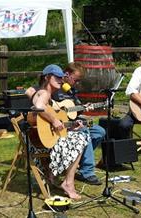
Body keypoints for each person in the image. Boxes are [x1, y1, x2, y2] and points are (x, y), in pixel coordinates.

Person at [26, 64, 89, 200]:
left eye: (62, 77)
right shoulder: (43, 93)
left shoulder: (49, 96)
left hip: (45, 138)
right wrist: (54, 121)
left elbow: (56, 125)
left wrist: (71, 126)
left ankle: (63, 179)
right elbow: (38, 107)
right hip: (37, 142)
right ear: (47, 77)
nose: (61, 80)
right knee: (81, 139)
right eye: (58, 77)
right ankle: (68, 183)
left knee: (79, 135)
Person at [53, 62, 105, 185]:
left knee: (99, 131)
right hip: (63, 125)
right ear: (67, 74)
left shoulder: (72, 91)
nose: (77, 83)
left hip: (76, 121)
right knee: (84, 130)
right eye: (75, 80)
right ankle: (87, 172)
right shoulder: (55, 88)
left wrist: (83, 107)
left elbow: (75, 109)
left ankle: (77, 160)